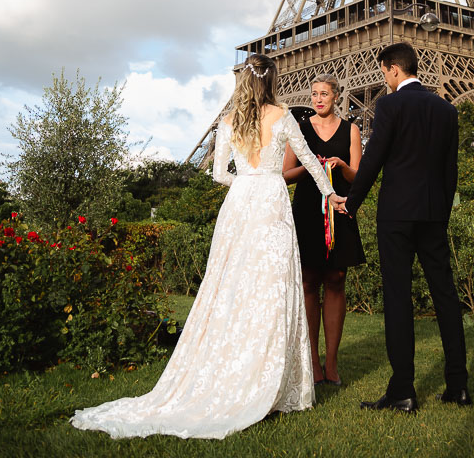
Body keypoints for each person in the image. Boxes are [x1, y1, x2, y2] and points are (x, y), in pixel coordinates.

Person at [71, 54, 345, 440]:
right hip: (271, 203)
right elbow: (312, 165)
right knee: (273, 288)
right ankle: (272, 379)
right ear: (272, 81)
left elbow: (219, 174)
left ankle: (231, 367)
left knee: (229, 287)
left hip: (240, 205)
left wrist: (246, 185)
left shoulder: (229, 120)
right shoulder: (283, 115)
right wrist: (330, 194)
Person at [336, 42, 470, 413]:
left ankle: (402, 391)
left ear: (394, 69)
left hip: (396, 214)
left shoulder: (390, 105)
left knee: (398, 298)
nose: (384, 79)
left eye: (384, 72)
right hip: (433, 214)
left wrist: (352, 200)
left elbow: (374, 157)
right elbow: (450, 169)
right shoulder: (446, 109)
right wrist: (441, 212)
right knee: (445, 296)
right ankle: (457, 385)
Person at [283, 75, 365, 386]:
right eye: (314, 94)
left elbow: (357, 176)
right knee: (308, 281)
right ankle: (313, 362)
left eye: (324, 94)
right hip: (307, 210)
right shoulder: (299, 129)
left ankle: (332, 362)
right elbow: (285, 174)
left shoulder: (351, 130)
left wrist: (342, 167)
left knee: (336, 279)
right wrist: (311, 167)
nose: (318, 99)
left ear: (336, 97)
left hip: (339, 208)